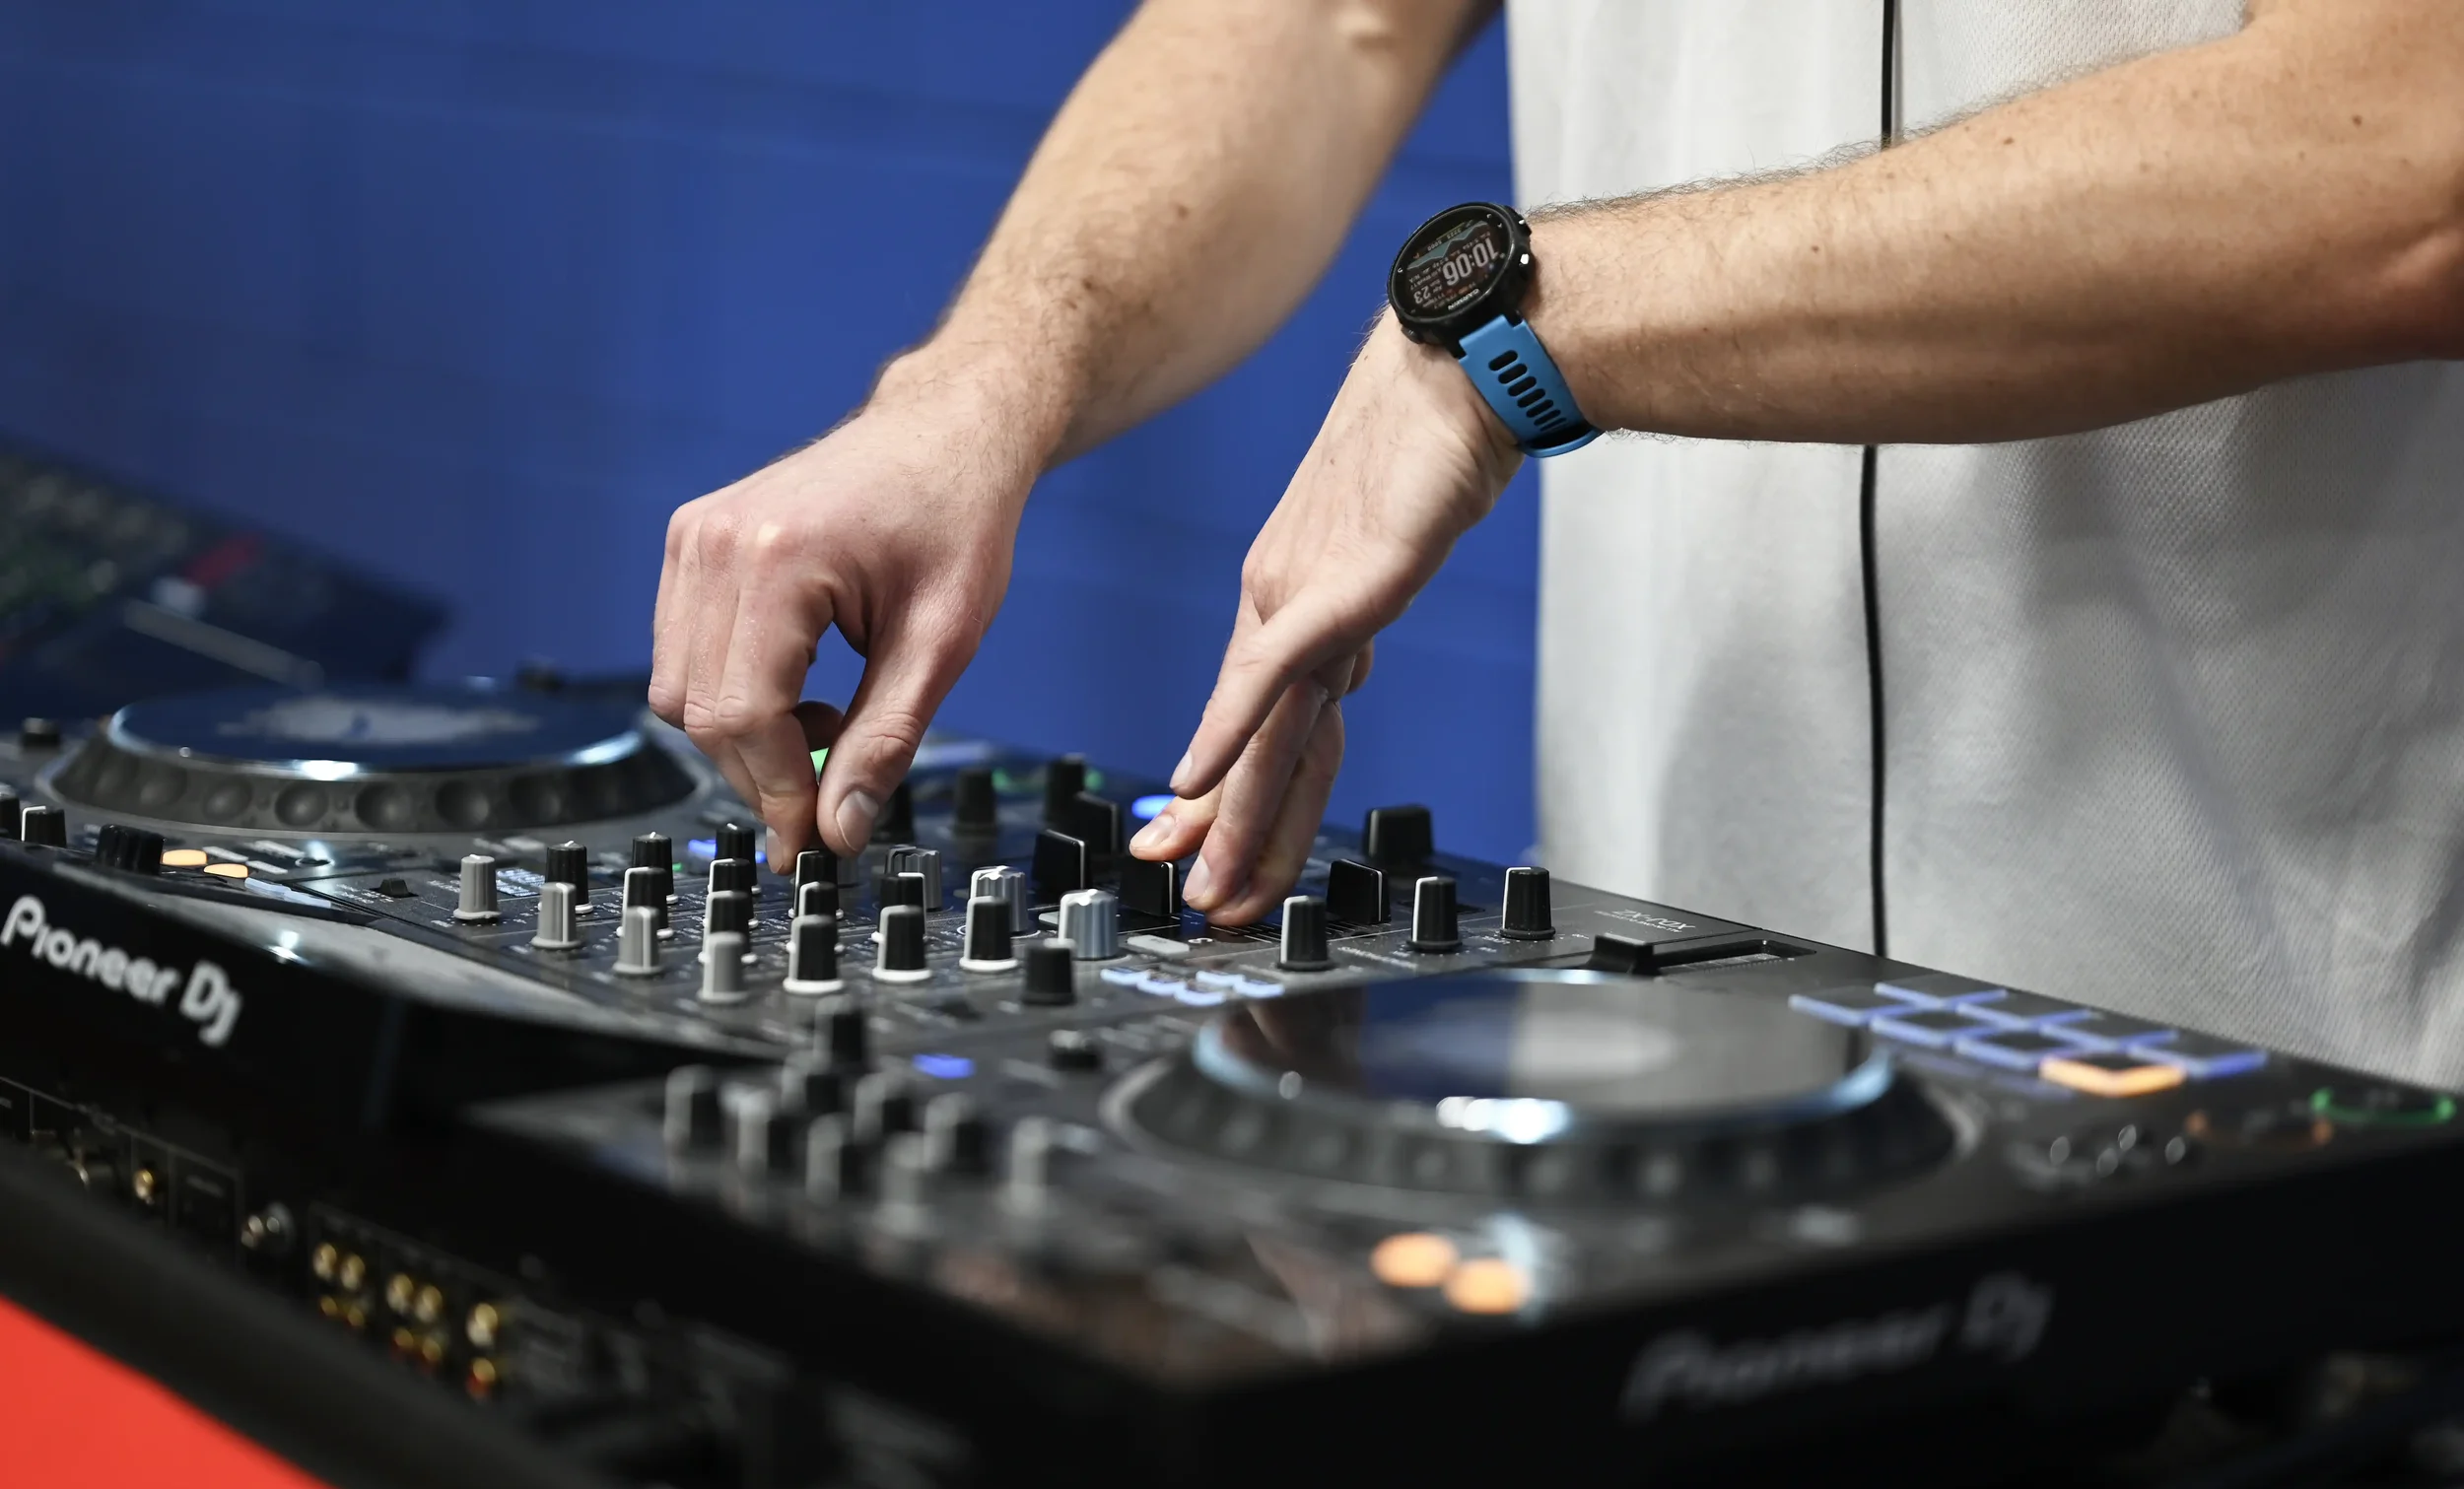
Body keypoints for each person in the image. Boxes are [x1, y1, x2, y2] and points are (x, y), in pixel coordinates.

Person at [649, 1, 2464, 1081]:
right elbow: (1322, 26)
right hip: (1662, 1071)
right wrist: (983, 378)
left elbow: (2413, 149)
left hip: (2303, 1087)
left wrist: (1514, 330)